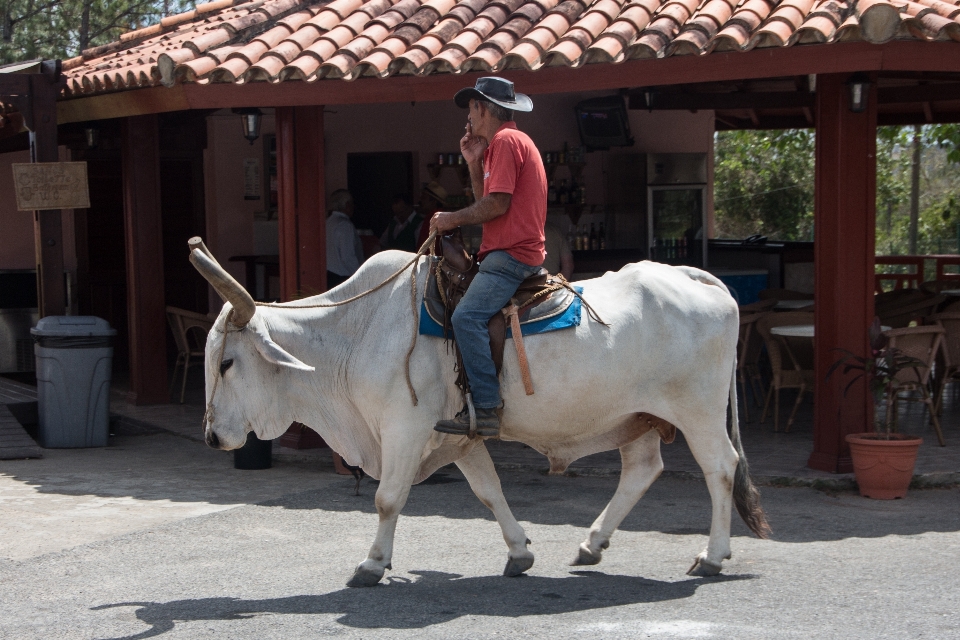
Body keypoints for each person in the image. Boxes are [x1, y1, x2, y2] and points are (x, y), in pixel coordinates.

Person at [429, 77, 547, 438]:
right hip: (509, 253)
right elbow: (490, 199)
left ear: (482, 108)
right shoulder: (502, 144)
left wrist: (450, 218)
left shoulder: (507, 141)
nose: (468, 118)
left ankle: (485, 407)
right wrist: (472, 162)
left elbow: (498, 205)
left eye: (471, 109)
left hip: (511, 256)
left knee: (466, 317)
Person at [326, 189, 364, 288]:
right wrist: (361, 276)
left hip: (329, 276)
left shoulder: (327, 223)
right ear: (347, 205)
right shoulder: (345, 226)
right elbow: (347, 257)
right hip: (343, 278)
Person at [417, 181, 448, 249]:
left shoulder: (435, 217)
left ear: (433, 202)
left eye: (424, 198)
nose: (420, 200)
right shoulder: (431, 216)